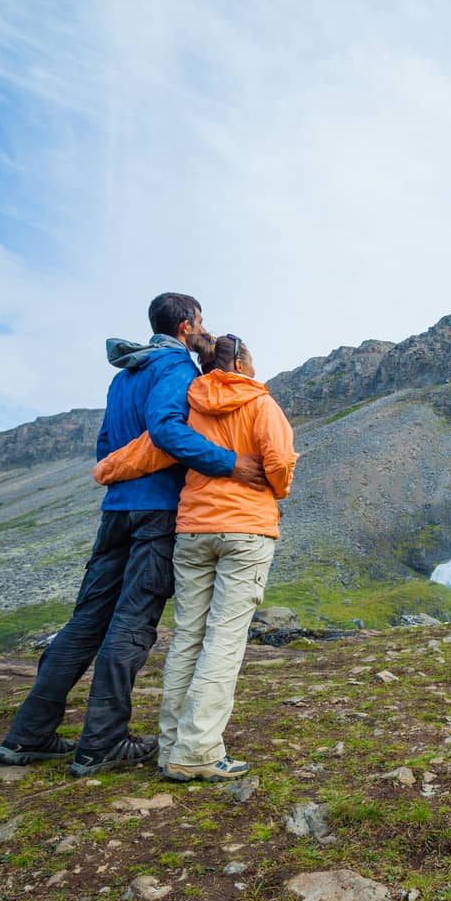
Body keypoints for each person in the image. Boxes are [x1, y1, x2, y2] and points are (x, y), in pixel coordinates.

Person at [0, 293, 269, 777]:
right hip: (157, 511)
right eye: (201, 321)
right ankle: (101, 743)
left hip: (116, 508)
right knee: (133, 624)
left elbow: (106, 446)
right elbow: (166, 431)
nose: (205, 329)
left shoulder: (124, 376)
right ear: (185, 326)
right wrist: (230, 464)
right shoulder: (175, 368)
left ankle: (28, 736)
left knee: (86, 620)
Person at [94, 333, 297, 781]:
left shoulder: (190, 405)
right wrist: (276, 488)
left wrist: (104, 469)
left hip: (192, 532)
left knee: (188, 636)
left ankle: (171, 747)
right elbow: (279, 460)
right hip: (246, 531)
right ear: (242, 362)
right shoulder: (261, 404)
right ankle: (200, 751)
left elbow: (149, 449)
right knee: (224, 641)